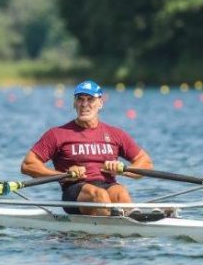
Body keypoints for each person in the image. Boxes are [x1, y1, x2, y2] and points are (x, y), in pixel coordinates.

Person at [21, 80, 153, 215]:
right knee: (98, 194)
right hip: (75, 191)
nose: (84, 104)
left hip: (108, 184)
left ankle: (132, 224)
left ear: (100, 103)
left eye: (90, 99)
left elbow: (146, 162)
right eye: (80, 99)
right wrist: (63, 175)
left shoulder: (116, 134)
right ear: (74, 103)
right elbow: (28, 165)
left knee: (121, 192)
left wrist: (123, 170)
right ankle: (113, 229)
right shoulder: (57, 134)